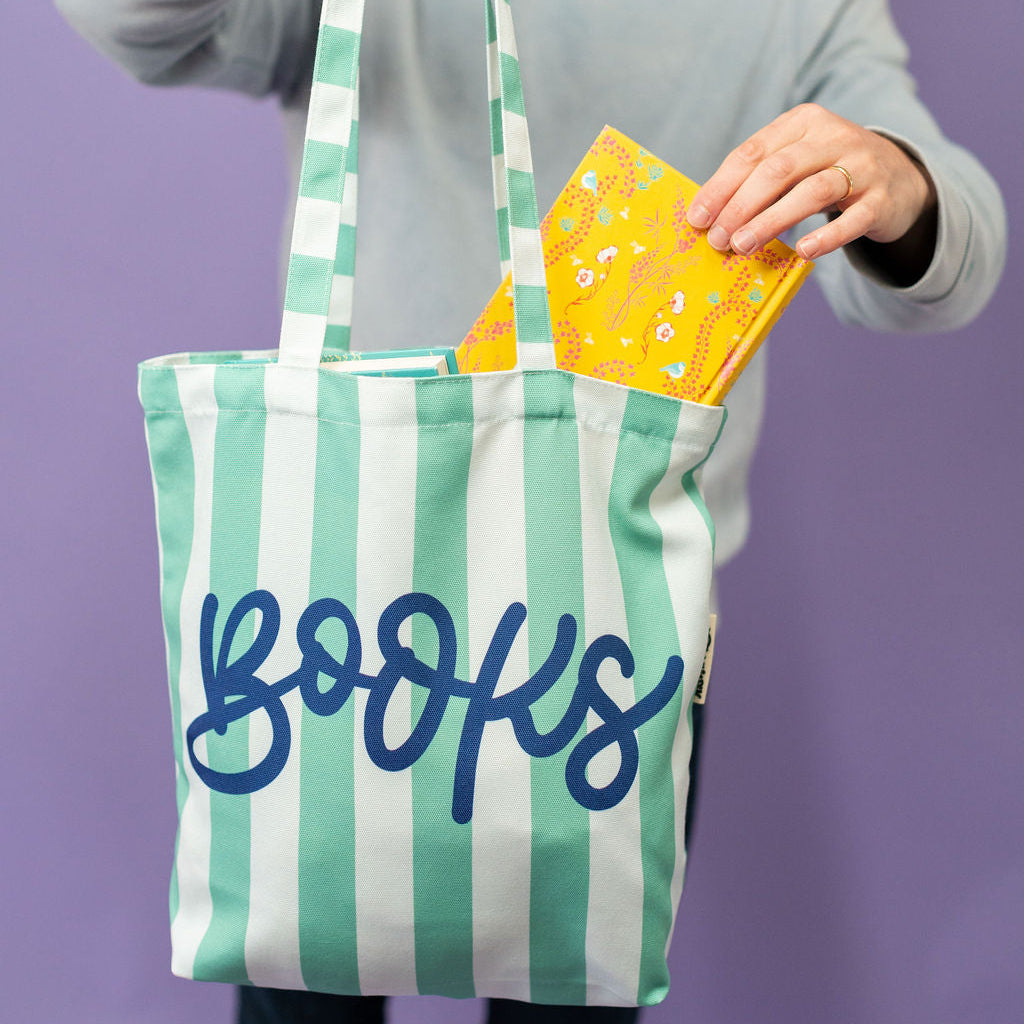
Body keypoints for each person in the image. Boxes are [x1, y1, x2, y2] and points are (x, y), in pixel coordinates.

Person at [55, 1, 1006, 1022]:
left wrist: (895, 179)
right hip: (349, 583)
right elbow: (153, 24)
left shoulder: (801, 14)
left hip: (603, 622)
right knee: (305, 982)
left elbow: (946, 253)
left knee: (563, 991)